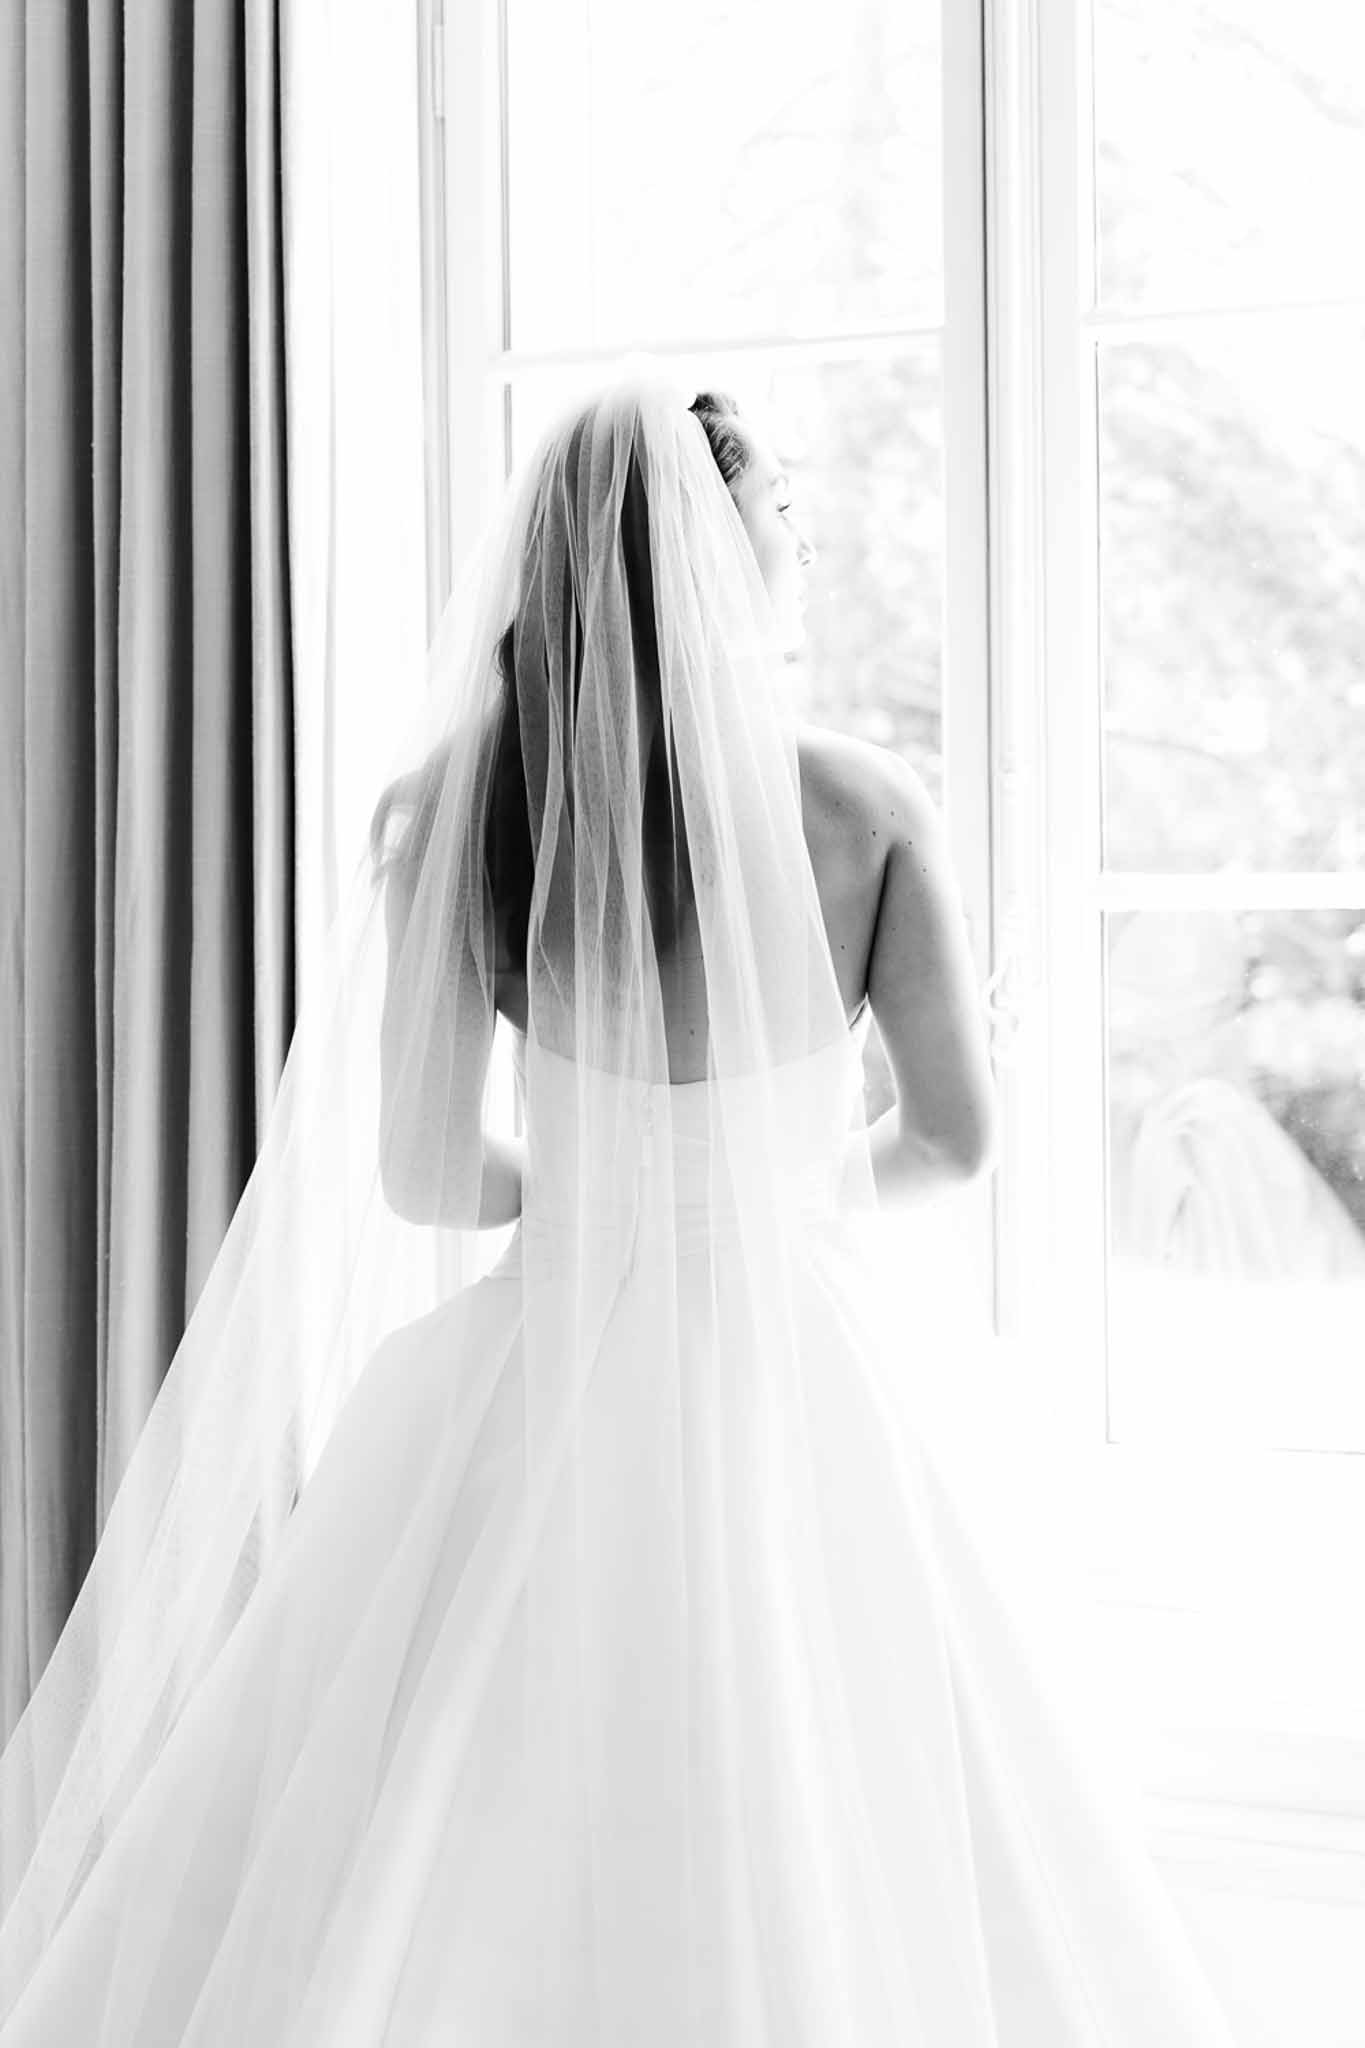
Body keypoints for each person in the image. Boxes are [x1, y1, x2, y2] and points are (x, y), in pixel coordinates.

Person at [0, 377, 1239, 2042]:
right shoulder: (865, 812)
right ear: (718, 551)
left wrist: (601, 1205)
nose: (803, 529)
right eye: (783, 503)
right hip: (805, 1369)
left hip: (546, 1358)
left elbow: (428, 1172)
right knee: (842, 1778)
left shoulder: (455, 812)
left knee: (470, 1823)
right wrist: (764, 1205)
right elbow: (950, 1144)